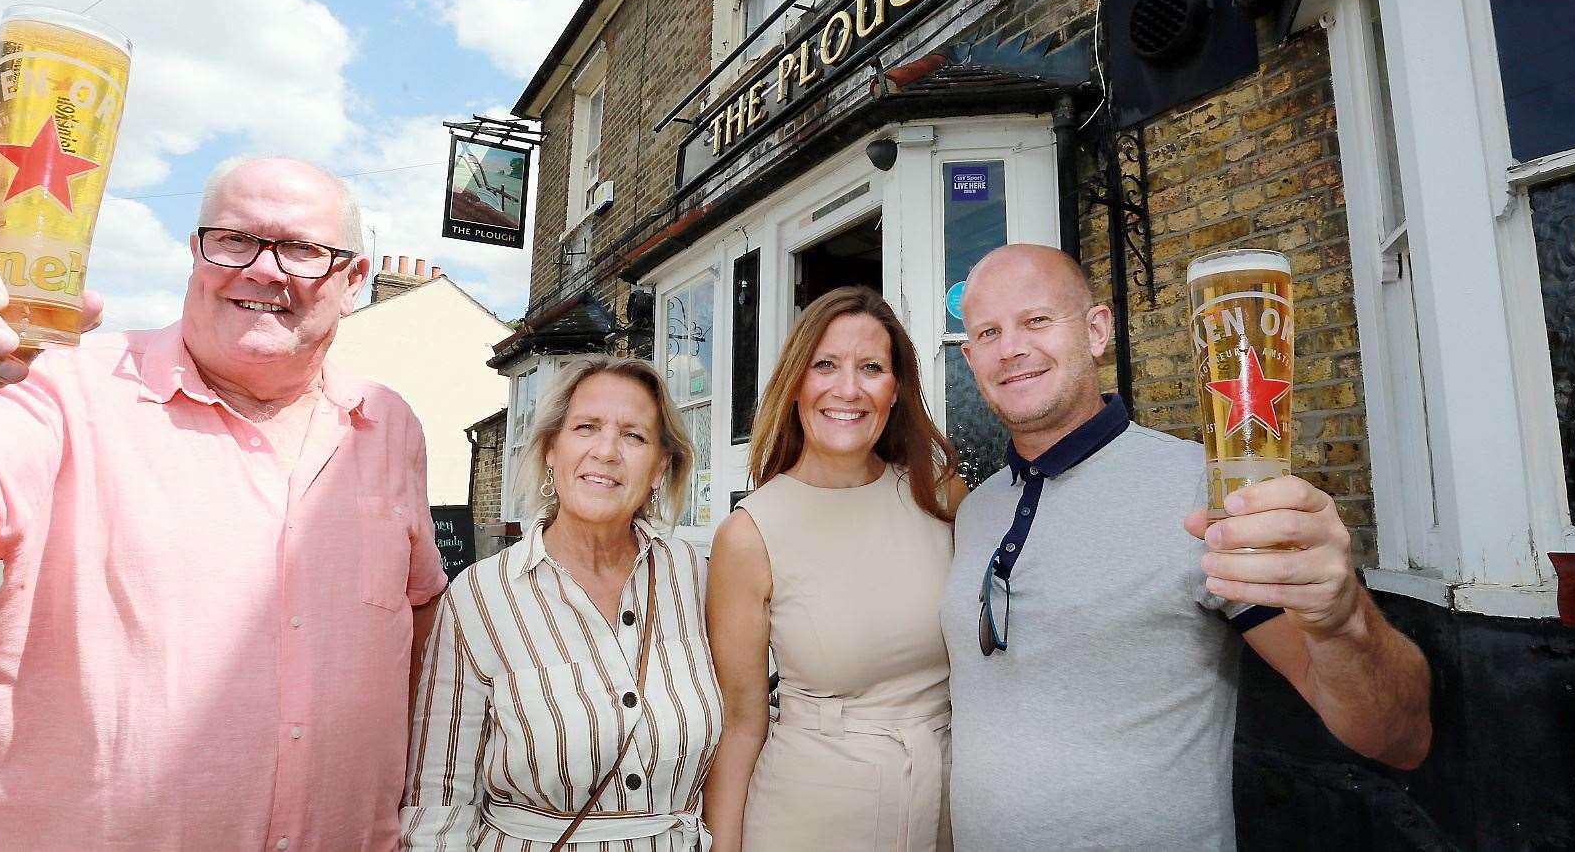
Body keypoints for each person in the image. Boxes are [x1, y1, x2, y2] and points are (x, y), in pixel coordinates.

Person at [0, 157, 446, 851]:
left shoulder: (391, 426)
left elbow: (417, 619)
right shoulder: (60, 387)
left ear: (353, 280)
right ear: (195, 254)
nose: (263, 269)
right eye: (234, 238)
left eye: (300, 248)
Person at [945, 243, 1432, 851]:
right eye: (989, 332)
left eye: (1037, 321)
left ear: (1097, 331)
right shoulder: (975, 510)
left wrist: (1344, 619)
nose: (1012, 347)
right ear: (970, 358)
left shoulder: (1207, 491)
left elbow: (1396, 738)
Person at [401, 355, 721, 850]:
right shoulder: (482, 597)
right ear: (551, 448)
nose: (607, 451)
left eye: (634, 436)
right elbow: (439, 794)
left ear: (660, 467)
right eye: (586, 427)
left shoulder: (695, 579)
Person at [705, 286, 967, 852]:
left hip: (949, 808)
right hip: (812, 816)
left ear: (896, 391)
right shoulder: (750, 535)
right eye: (825, 365)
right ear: (797, 381)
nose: (848, 389)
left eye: (871, 368)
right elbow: (741, 724)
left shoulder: (939, 496)